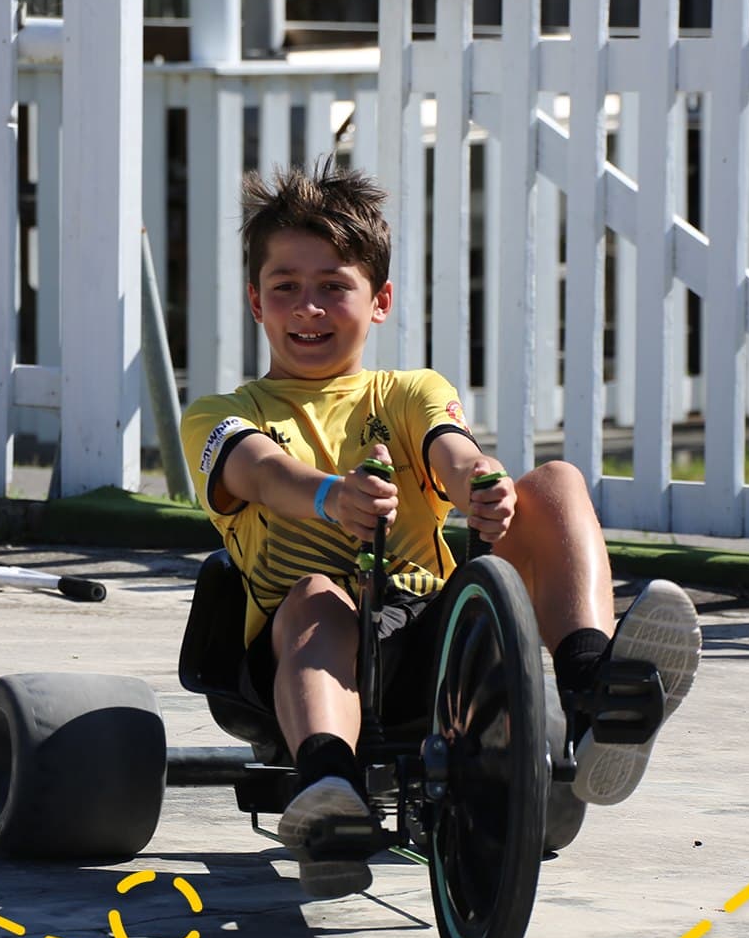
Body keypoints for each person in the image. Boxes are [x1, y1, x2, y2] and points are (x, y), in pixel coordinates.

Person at [180, 161, 701, 899]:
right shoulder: (220, 411)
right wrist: (332, 497)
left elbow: (447, 447)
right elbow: (261, 473)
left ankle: (594, 696)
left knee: (553, 484)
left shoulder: (407, 391)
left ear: (380, 300)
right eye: (286, 288)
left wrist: (481, 486)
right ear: (255, 303)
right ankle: (329, 784)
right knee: (321, 593)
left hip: (428, 645)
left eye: (335, 286)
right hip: (293, 657)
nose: (310, 309)